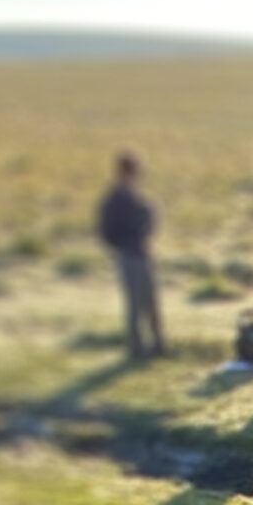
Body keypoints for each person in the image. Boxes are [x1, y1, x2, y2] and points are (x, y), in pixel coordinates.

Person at [97, 152, 164, 359]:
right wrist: (125, 243)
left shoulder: (134, 195)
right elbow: (107, 230)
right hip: (129, 254)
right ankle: (137, 348)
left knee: (151, 301)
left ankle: (157, 345)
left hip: (142, 253)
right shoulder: (116, 198)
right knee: (135, 304)